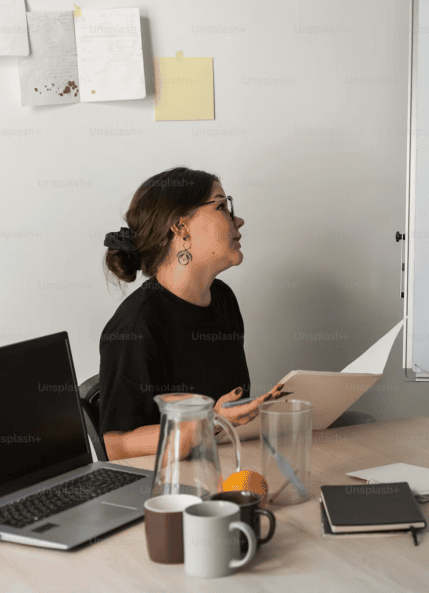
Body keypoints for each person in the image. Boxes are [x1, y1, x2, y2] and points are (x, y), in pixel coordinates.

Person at [98, 167, 371, 461]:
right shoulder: (136, 324)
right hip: (177, 480)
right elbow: (117, 446)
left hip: (228, 455)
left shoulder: (222, 299)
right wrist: (208, 423)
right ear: (180, 228)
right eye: (221, 207)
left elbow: (225, 412)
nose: (238, 220)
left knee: (359, 425)